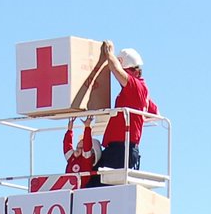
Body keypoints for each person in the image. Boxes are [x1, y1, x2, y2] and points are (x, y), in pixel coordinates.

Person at [94, 41, 156, 172]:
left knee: (94, 184)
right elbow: (155, 114)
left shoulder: (135, 87)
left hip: (122, 150)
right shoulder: (142, 93)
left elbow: (116, 70)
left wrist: (109, 53)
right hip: (124, 149)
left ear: (136, 72)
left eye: (126, 71)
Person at [63, 116, 100, 187]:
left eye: (80, 147)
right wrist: (69, 130)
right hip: (68, 187)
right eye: (77, 147)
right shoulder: (71, 158)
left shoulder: (86, 160)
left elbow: (87, 145)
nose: (81, 141)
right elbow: (67, 145)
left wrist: (87, 127)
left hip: (81, 188)